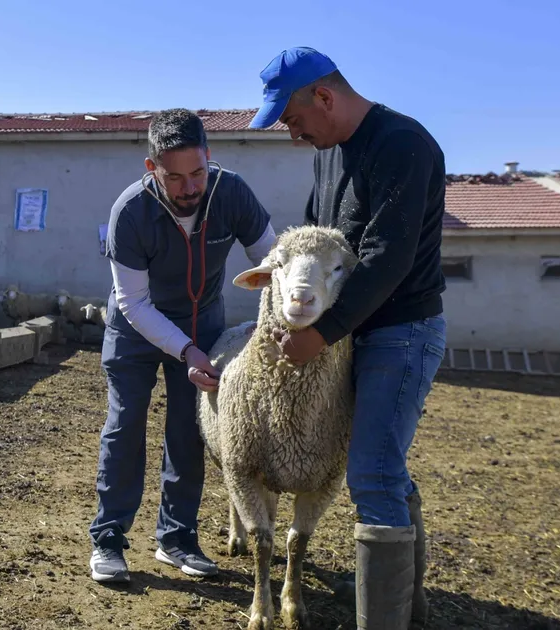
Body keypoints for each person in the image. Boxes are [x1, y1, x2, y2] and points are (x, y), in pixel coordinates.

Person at [248, 47, 448, 629]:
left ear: (324, 97)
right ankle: (408, 608)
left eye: (291, 118)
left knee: (373, 474)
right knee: (385, 467)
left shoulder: (403, 145)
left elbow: (389, 257)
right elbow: (318, 240)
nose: (293, 134)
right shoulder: (329, 155)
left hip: (400, 331)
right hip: (356, 332)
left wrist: (325, 333)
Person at [89, 108, 277, 584]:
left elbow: (273, 263)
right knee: (126, 424)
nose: (190, 187)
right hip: (136, 326)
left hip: (203, 321)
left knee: (189, 430)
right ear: (152, 169)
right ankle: (108, 538)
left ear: (209, 159)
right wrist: (185, 351)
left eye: (198, 172)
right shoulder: (129, 212)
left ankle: (176, 538)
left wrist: (273, 323)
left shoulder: (231, 192)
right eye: (175, 177)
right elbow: (133, 302)